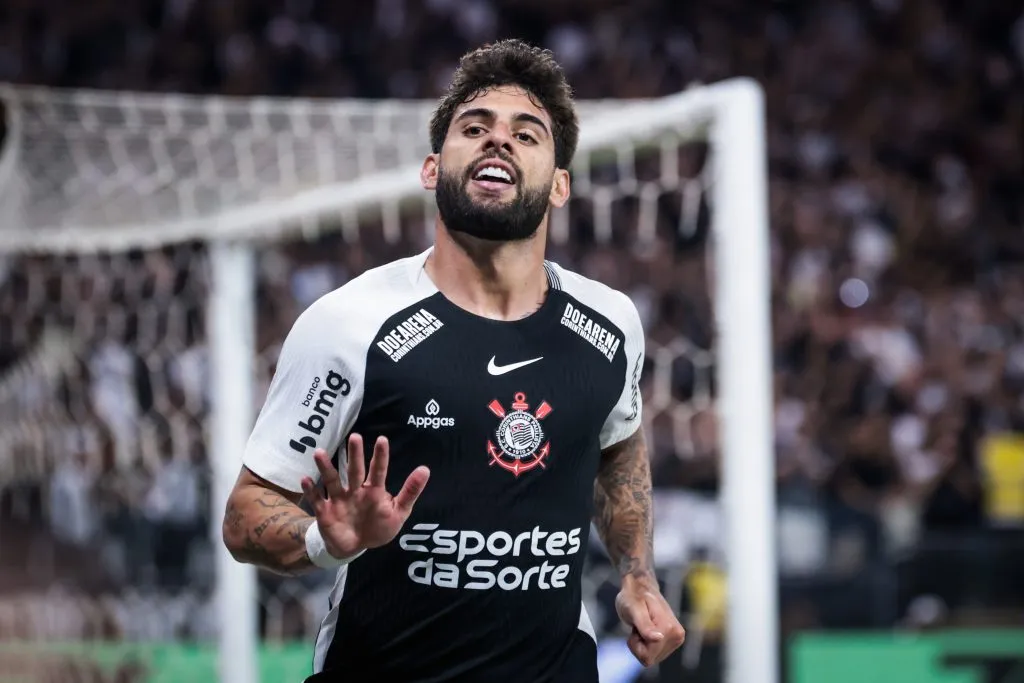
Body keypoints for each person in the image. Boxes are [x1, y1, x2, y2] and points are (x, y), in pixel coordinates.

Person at [222, 39, 685, 683]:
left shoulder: (609, 324)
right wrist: (327, 541)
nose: (498, 141)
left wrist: (638, 576)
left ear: (559, 186)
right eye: (475, 129)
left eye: (526, 134)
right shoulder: (347, 325)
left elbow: (619, 448)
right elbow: (246, 514)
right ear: (433, 169)